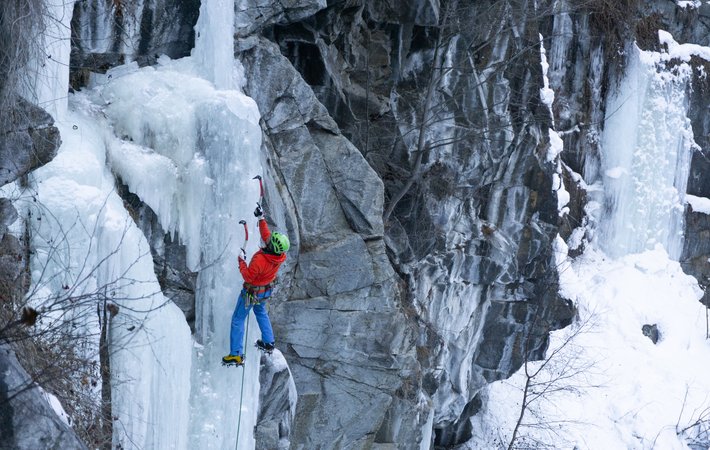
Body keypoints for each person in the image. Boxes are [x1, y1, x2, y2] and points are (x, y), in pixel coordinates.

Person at [222, 206, 290, 366]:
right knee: (261, 312)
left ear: (272, 245)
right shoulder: (279, 255)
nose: (268, 238)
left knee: (238, 320)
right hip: (265, 291)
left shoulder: (260, 261)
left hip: (251, 293)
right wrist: (261, 218)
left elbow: (248, 276)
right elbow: (267, 236)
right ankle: (268, 342)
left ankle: (236, 355)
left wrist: (241, 261)